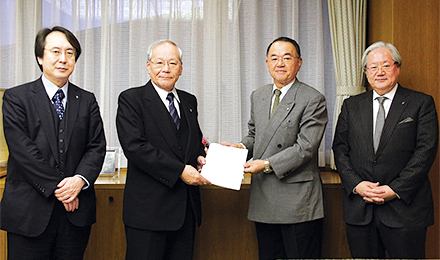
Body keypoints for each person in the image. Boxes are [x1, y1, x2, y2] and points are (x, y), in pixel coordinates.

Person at [0, 26, 106, 259]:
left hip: (75, 214)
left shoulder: (86, 100)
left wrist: (79, 181)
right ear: (40, 57)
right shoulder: (16, 98)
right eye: (56, 51)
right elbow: (22, 151)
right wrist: (63, 189)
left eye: (70, 53)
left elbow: (96, 147)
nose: (63, 59)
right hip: (29, 212)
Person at [222, 37, 328, 259]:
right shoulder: (258, 96)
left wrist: (267, 164)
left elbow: (306, 147)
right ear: (267, 63)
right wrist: (240, 147)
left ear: (299, 63)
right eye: (274, 58)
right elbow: (255, 135)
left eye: (287, 58)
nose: (280, 63)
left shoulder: (312, 98)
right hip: (265, 198)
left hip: (298, 199)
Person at [332, 41, 438, 259]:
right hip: (360, 210)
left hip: (405, 209)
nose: (379, 72)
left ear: (397, 67)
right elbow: (340, 149)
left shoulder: (420, 103)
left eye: (386, 65)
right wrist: (357, 185)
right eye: (372, 67)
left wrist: (395, 189)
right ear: (365, 72)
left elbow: (425, 152)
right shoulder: (352, 105)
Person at [116, 39, 211, 260]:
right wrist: (180, 170)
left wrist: (199, 157)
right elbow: (135, 148)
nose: (165, 69)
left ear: (181, 68)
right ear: (148, 66)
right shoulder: (132, 99)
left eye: (172, 63)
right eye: (159, 62)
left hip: (185, 211)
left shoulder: (189, 101)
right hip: (148, 213)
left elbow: (194, 142)